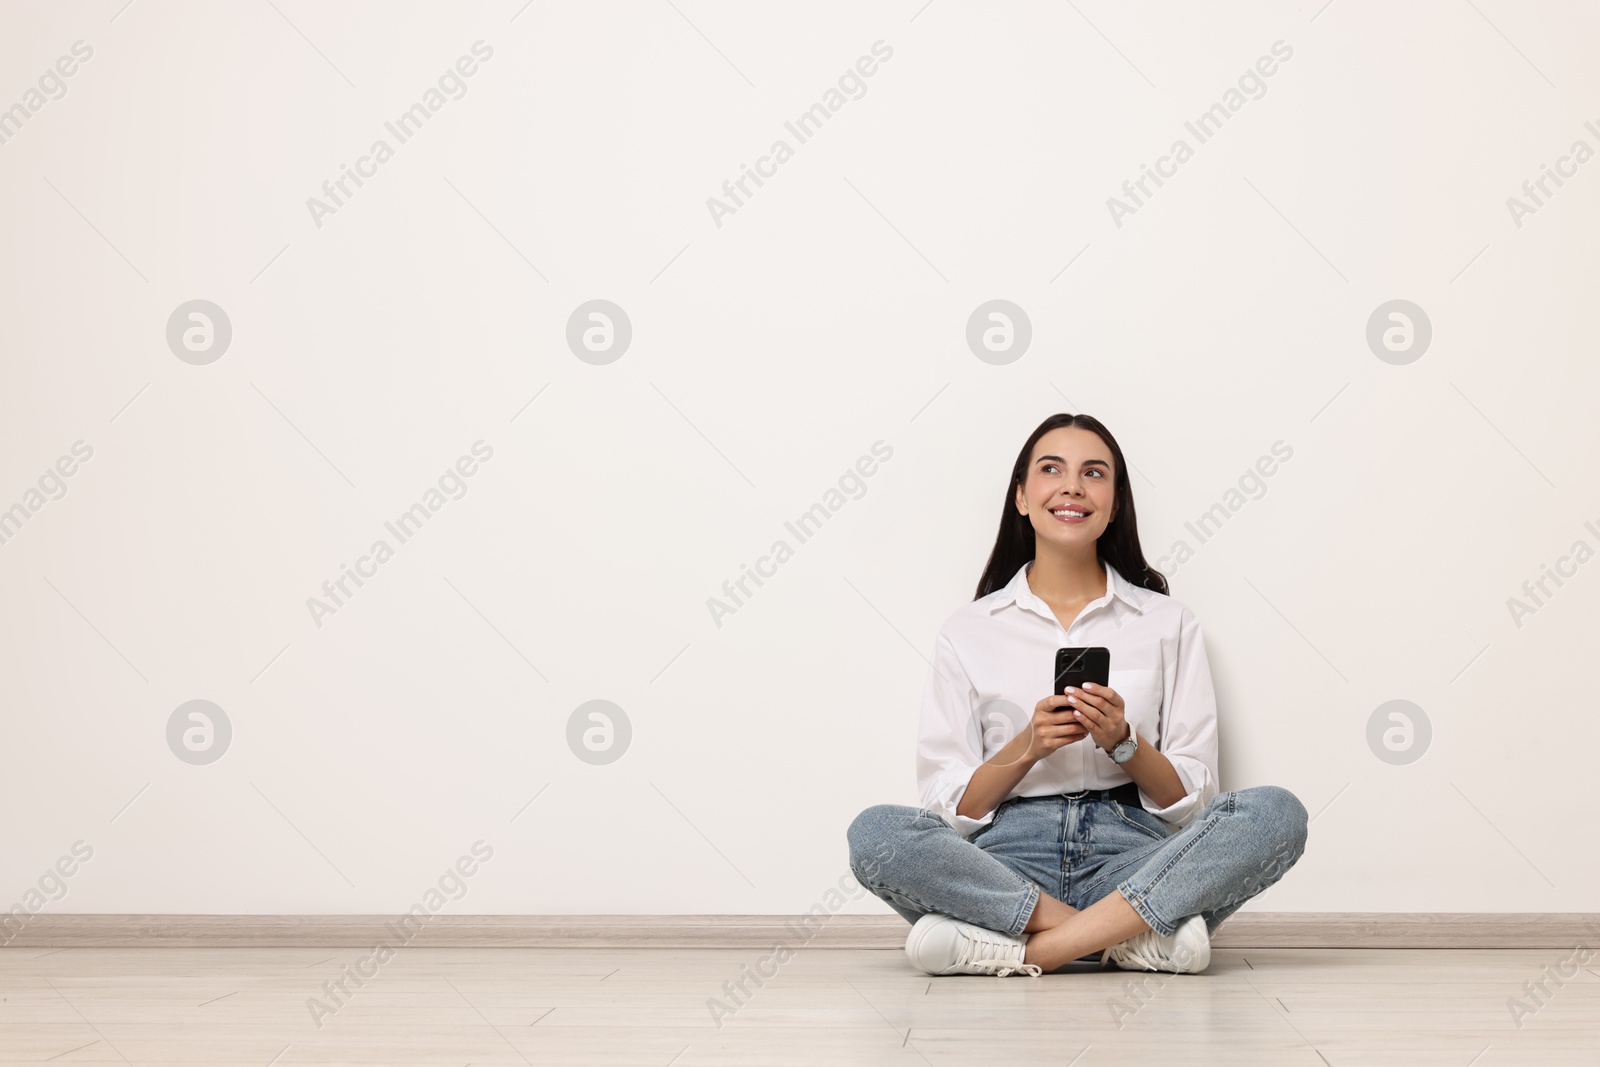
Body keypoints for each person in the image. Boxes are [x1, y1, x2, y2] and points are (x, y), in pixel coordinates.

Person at [846, 413, 1308, 977]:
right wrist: (1029, 747)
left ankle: (1025, 951)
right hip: (1008, 863)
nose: (1072, 486)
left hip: (1134, 857)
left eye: (1094, 473)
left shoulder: (1167, 622)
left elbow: (1193, 802)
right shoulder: (968, 630)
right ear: (1021, 496)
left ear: (1114, 504)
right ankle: (1129, 940)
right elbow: (951, 807)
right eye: (1051, 470)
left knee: (1274, 814)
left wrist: (1124, 743)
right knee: (876, 833)